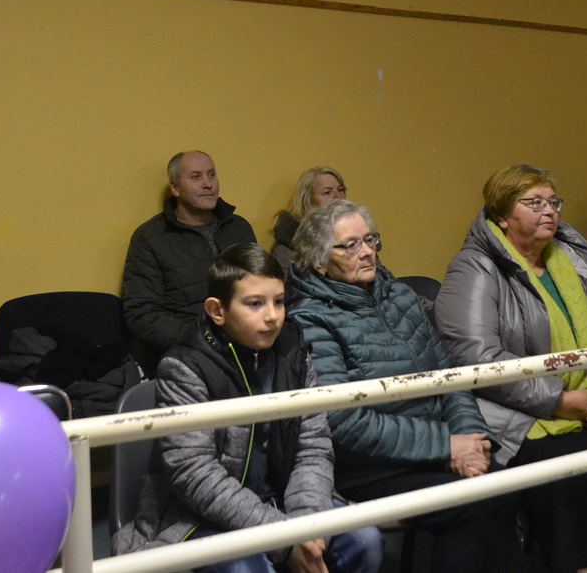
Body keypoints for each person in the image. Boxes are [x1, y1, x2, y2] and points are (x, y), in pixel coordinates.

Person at [436, 165, 587, 573]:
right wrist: (559, 400)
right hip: (512, 413)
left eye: (553, 202)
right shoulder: (474, 267)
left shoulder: (570, 259)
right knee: (570, 469)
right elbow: (477, 359)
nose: (549, 211)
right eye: (534, 203)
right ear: (503, 215)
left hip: (585, 401)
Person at [113, 244, 384, 573]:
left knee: (365, 540)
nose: (272, 316)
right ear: (217, 311)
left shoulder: (294, 351)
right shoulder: (184, 367)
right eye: (255, 304)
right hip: (201, 515)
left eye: (279, 301)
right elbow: (193, 473)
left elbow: (313, 445)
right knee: (245, 568)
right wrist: (285, 539)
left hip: (285, 499)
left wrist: (308, 528)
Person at [287, 200, 517, 573]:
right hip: (369, 463)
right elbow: (341, 421)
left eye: (370, 240)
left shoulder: (401, 297)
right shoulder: (310, 319)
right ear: (318, 262)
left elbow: (449, 377)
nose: (367, 252)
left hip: (435, 447)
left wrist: (471, 437)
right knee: (475, 503)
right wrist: (445, 446)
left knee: (505, 486)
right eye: (350, 245)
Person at [122, 150, 257, 370]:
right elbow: (141, 315)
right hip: (187, 354)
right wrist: (204, 339)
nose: (208, 184)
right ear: (175, 188)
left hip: (247, 345)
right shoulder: (150, 238)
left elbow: (261, 286)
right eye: (196, 177)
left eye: (212, 175)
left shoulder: (239, 228)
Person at [270, 167, 348, 273]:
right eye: (327, 192)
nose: (338, 197)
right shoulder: (286, 251)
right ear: (307, 201)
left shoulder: (358, 237)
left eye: (340, 190)